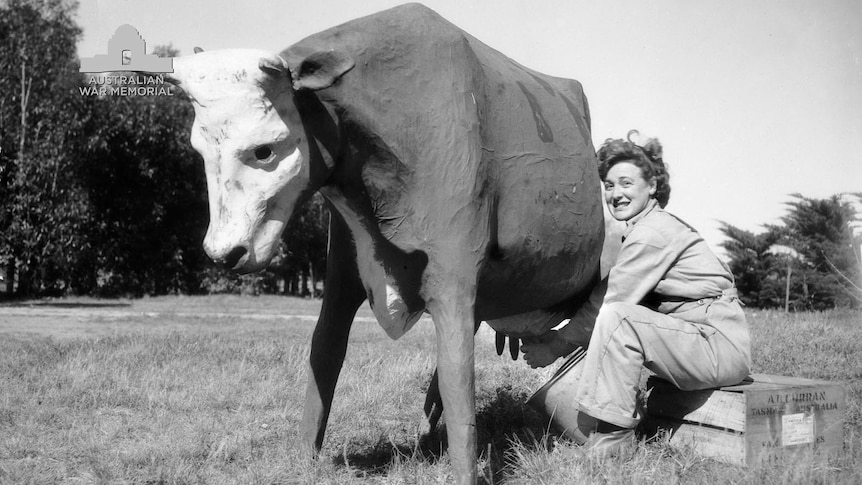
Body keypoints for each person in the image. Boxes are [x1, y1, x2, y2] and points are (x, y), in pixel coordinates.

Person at [522, 132, 751, 457]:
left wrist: (556, 344)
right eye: (610, 185)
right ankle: (606, 427)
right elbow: (608, 290)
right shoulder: (644, 231)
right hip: (702, 340)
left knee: (617, 318)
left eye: (626, 183)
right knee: (613, 322)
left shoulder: (653, 234)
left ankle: (611, 445)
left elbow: (610, 302)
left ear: (653, 186)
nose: (616, 194)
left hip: (716, 345)